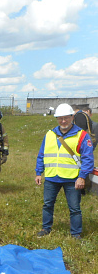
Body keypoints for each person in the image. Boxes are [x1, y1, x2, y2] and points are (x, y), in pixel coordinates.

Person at [35, 103, 94, 240]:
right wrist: (39, 172)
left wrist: (82, 177)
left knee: (74, 208)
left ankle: (76, 233)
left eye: (66, 118)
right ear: (56, 119)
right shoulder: (49, 134)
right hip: (51, 177)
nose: (63, 121)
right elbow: (41, 155)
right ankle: (46, 228)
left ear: (72, 117)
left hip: (72, 178)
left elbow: (88, 159)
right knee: (47, 204)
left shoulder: (82, 135)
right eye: (60, 118)